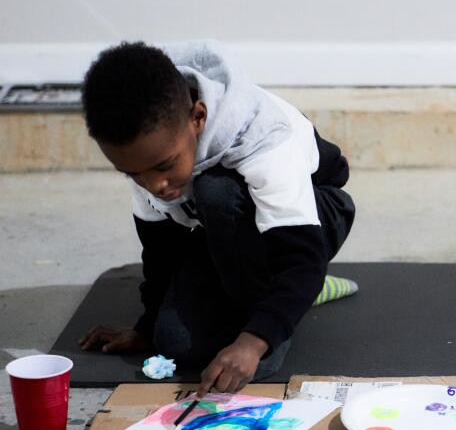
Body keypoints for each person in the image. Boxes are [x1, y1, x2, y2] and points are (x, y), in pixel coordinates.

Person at [78, 40, 357, 394]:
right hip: (230, 231)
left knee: (215, 190)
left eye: (164, 166)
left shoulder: (262, 137)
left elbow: (303, 256)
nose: (155, 185)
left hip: (317, 217)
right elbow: (161, 252)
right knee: (175, 342)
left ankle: (288, 299)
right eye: (133, 174)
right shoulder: (148, 156)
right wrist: (146, 327)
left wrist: (253, 342)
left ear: (198, 117)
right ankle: (279, 300)